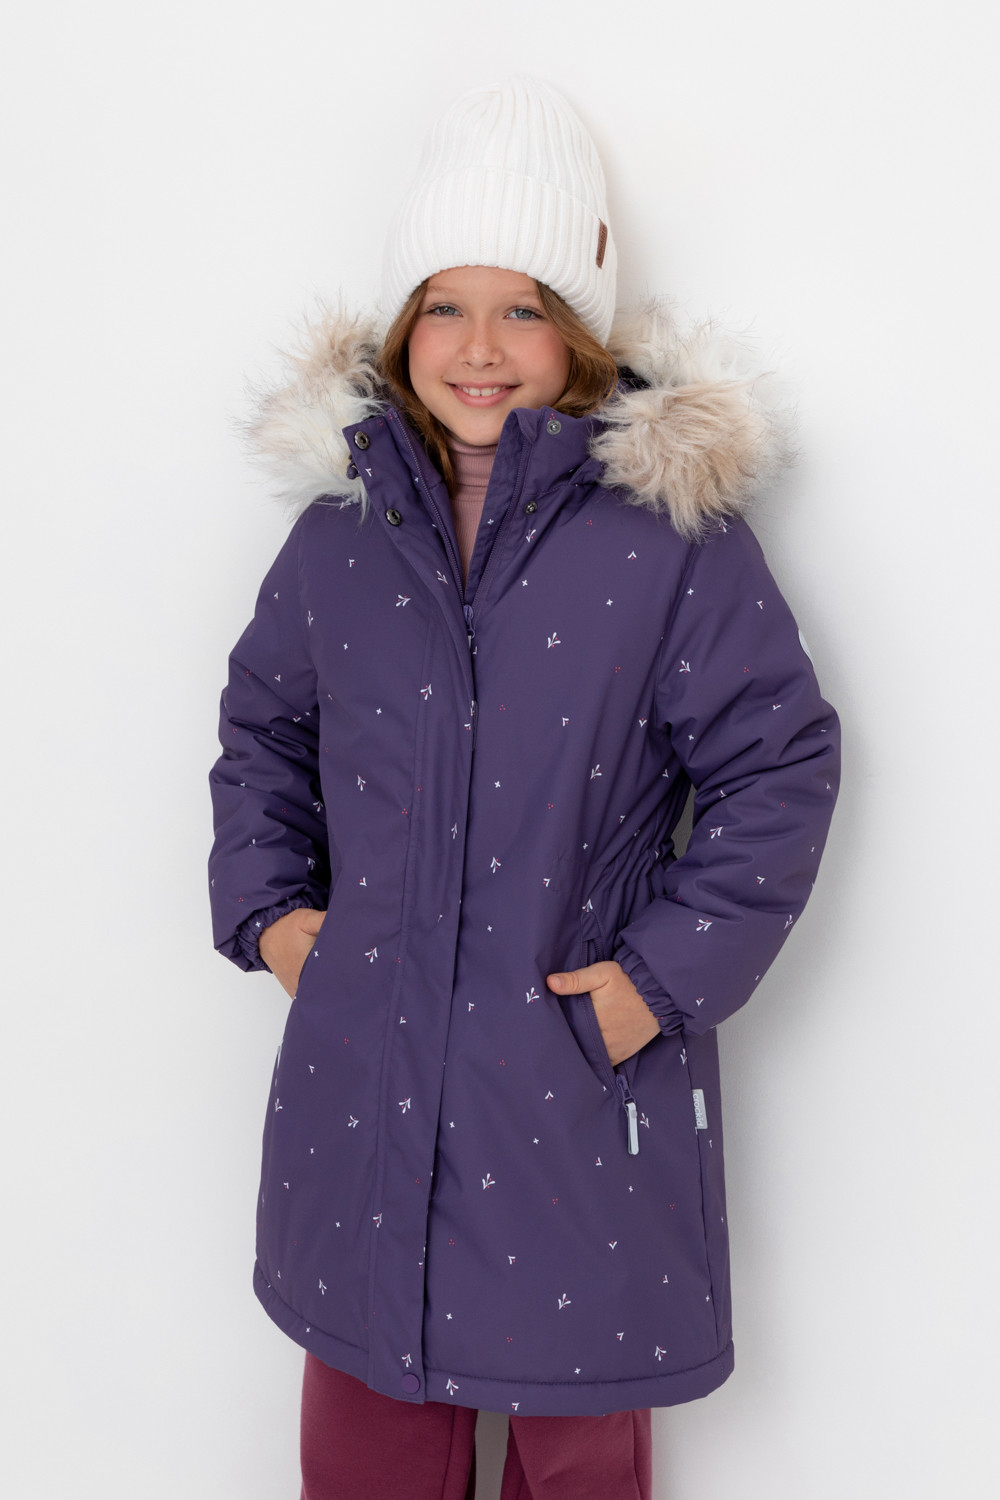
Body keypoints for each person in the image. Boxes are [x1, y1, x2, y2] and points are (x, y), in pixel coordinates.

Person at [208, 76, 840, 1500]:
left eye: (524, 308)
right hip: (365, 1093)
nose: (480, 348)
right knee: (367, 1444)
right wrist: (277, 919)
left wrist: (652, 984)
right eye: (445, 305)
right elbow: (262, 732)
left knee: (577, 1455)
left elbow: (779, 761)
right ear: (402, 328)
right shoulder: (341, 540)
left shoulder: (667, 542)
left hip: (567, 1104)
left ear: (579, 334)